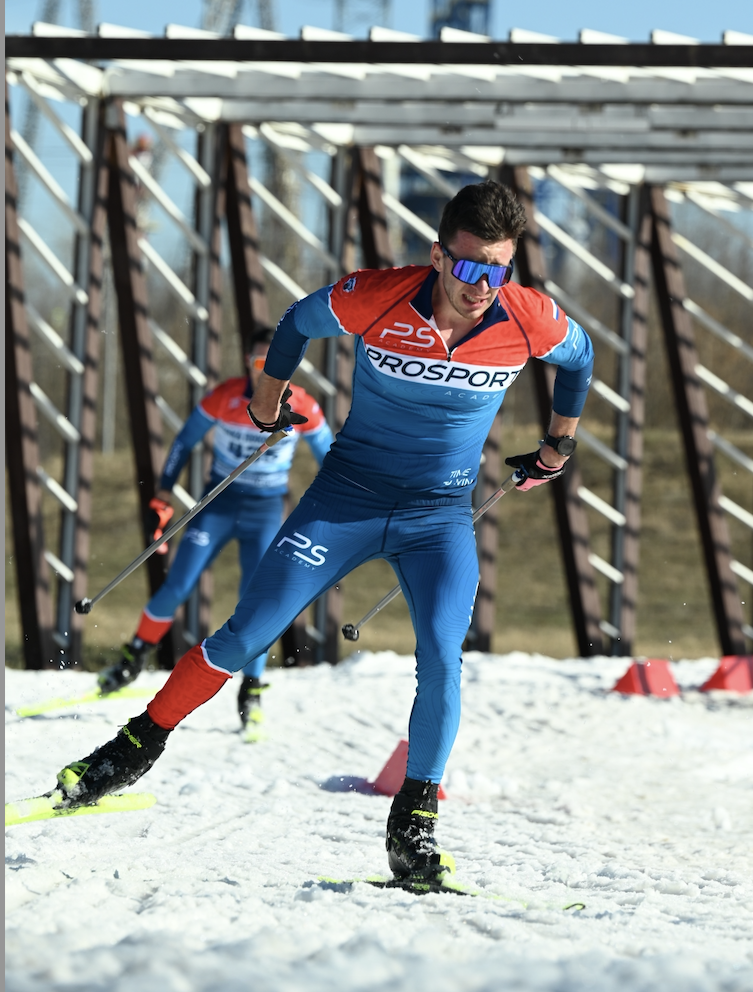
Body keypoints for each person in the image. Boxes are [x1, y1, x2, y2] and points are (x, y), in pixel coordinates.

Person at [46, 181, 594, 885]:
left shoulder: (528, 317)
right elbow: (299, 322)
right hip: (347, 500)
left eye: (497, 270)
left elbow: (578, 361)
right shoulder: (381, 295)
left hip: (439, 516)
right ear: (437, 256)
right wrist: (267, 401)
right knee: (246, 635)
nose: (481, 286)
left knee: (441, 654)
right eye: (468, 268)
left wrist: (558, 445)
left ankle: (414, 823)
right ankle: (129, 748)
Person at [96, 328, 333, 729]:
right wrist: (163, 493)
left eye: (282, 364)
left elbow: (330, 454)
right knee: (178, 584)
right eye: (262, 363)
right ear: (247, 362)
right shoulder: (225, 398)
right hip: (218, 503)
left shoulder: (303, 404)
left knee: (254, 600)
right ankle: (133, 657)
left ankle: (252, 686)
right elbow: (183, 442)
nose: (272, 371)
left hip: (265, 510)